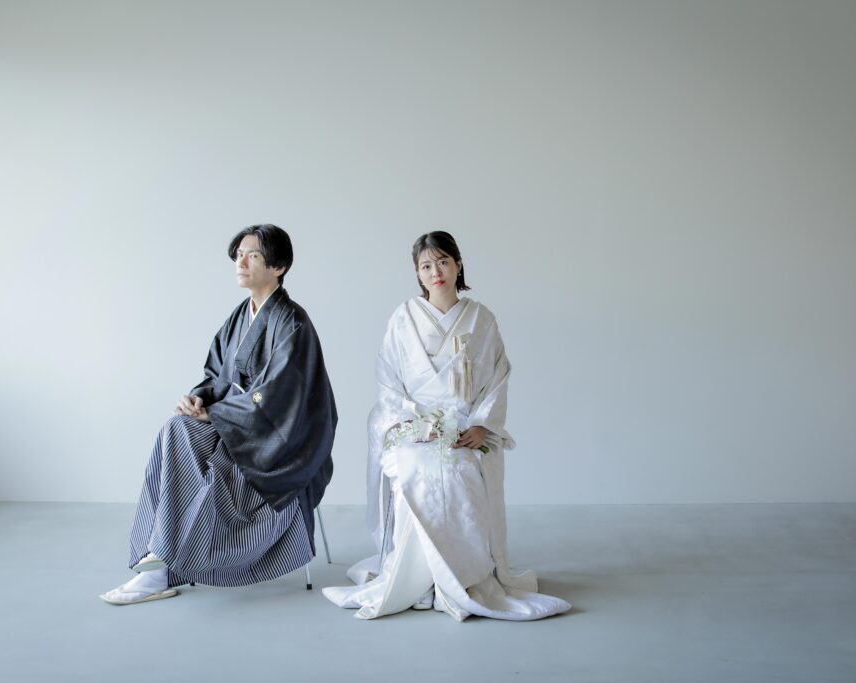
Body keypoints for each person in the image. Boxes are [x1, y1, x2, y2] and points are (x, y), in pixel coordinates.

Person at [322, 231, 570, 621]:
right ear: (417, 274)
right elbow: (388, 381)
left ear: (458, 265)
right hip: (415, 427)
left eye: (442, 262)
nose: (435, 272)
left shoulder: (481, 319)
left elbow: (498, 377)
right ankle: (416, 579)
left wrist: (482, 426)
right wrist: (418, 425)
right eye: (425, 266)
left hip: (464, 428)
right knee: (413, 468)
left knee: (461, 473)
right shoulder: (403, 318)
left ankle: (460, 576)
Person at [101, 224, 336, 605]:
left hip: (279, 441)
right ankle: (158, 555)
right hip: (238, 425)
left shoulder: (292, 322)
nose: (241, 263)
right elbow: (216, 374)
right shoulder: (240, 316)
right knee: (177, 428)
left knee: (197, 446)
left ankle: (161, 565)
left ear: (278, 266)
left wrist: (218, 414)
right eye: (238, 255)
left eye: (253, 255)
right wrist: (198, 400)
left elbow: (280, 396)